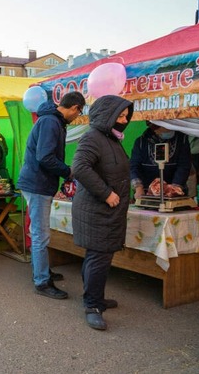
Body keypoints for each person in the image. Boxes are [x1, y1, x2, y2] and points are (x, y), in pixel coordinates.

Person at [71, 95, 134, 331]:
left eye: (126, 115)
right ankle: (93, 306)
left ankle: (95, 296)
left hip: (106, 212)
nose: (125, 119)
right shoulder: (92, 138)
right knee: (99, 258)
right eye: (120, 115)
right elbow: (79, 168)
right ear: (107, 116)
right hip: (98, 210)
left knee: (98, 257)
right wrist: (107, 193)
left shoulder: (110, 138)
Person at [17, 91, 86, 299]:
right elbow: (45, 156)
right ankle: (41, 281)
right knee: (40, 234)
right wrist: (67, 171)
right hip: (38, 183)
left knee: (41, 232)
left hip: (37, 182)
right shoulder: (50, 122)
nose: (77, 118)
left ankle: (43, 271)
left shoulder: (50, 120)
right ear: (74, 108)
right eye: (79, 112)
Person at [130, 122, 192, 198]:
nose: (169, 128)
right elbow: (133, 167)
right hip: (146, 193)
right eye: (165, 127)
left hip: (175, 193)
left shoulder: (182, 140)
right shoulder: (141, 142)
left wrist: (173, 189)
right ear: (155, 129)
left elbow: (184, 166)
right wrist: (138, 188)